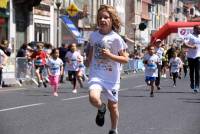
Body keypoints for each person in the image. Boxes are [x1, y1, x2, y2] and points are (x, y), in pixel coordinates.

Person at [87, 5, 129, 134]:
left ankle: (113, 129)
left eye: (106, 17)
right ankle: (101, 108)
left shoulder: (116, 38)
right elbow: (91, 53)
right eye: (100, 17)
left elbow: (126, 59)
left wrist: (110, 55)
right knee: (93, 97)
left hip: (111, 77)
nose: (102, 20)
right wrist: (87, 63)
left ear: (112, 20)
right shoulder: (93, 35)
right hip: (96, 74)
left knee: (113, 106)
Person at [183, 25, 200, 93]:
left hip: (198, 56)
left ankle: (197, 85)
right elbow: (184, 44)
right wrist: (192, 47)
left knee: (197, 71)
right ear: (194, 29)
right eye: (199, 29)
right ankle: (192, 82)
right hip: (190, 57)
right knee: (192, 71)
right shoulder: (189, 36)